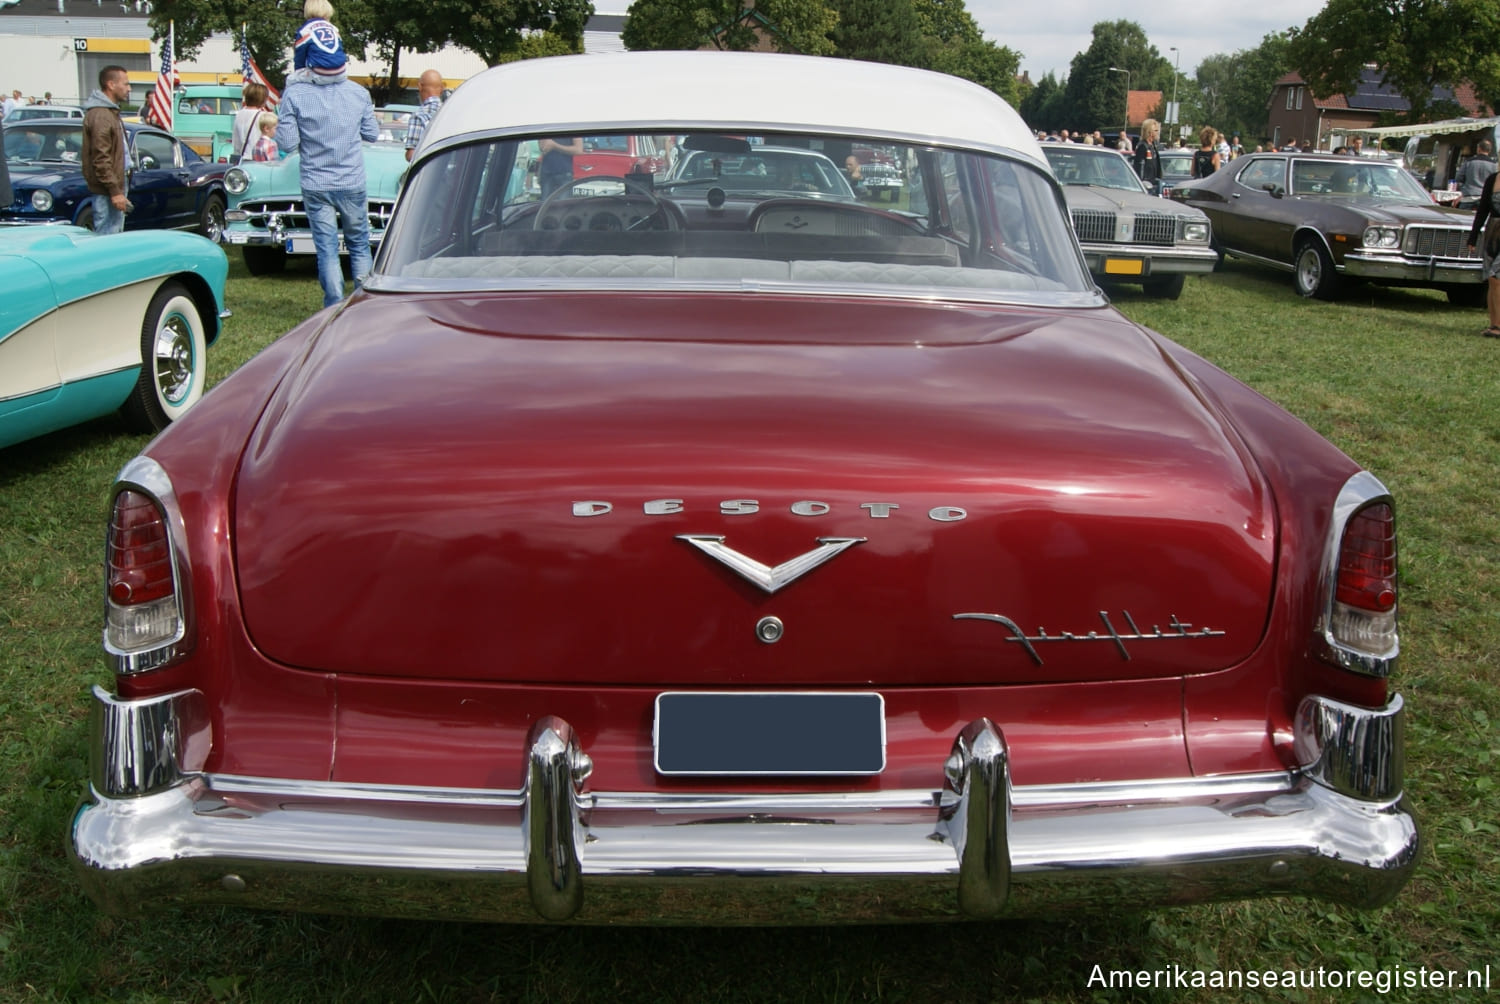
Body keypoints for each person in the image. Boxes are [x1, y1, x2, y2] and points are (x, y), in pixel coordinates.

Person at [274, 56, 378, 308]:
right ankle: (362, 305)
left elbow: (286, 144)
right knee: (359, 245)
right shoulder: (358, 92)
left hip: (316, 181)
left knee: (327, 248)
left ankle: (333, 307)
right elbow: (372, 134)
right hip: (351, 179)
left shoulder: (295, 94)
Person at [82, 65, 131, 234]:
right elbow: (101, 158)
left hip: (114, 184)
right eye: (125, 84)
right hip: (107, 190)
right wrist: (114, 191)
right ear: (111, 84)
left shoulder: (110, 112)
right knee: (107, 238)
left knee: (115, 235)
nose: (129, 88)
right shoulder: (101, 115)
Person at [1464, 168, 1500, 337]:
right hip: (1493, 232)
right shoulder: (1492, 179)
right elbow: (1483, 209)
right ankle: (1494, 324)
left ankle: (1498, 326)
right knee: (1490, 280)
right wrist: (1473, 236)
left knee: (1496, 277)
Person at [293, 0, 347, 81]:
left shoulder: (304, 31)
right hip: (341, 72)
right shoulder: (335, 29)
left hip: (320, 74)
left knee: (290, 79)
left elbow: (299, 60)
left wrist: (297, 72)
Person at [404, 68, 444, 163]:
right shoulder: (450, 112)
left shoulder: (419, 116)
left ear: (420, 87)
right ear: (442, 88)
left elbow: (412, 155)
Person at [231, 81, 272, 164]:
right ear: (262, 98)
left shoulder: (239, 114)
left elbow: (236, 141)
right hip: (257, 159)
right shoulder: (263, 116)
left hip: (241, 159)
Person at [1456, 139, 1496, 210]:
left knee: (1464, 219)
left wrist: (1463, 188)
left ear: (1479, 149)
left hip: (1468, 197)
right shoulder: (1494, 165)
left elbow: (1459, 178)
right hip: (1484, 199)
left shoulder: (1468, 162)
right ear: (1489, 151)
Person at [1131, 118, 1162, 194]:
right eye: (1156, 130)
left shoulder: (1153, 146)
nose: (1158, 133)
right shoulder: (1142, 146)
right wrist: (1142, 182)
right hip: (1145, 184)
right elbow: (1140, 166)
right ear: (1150, 132)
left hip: (1153, 182)